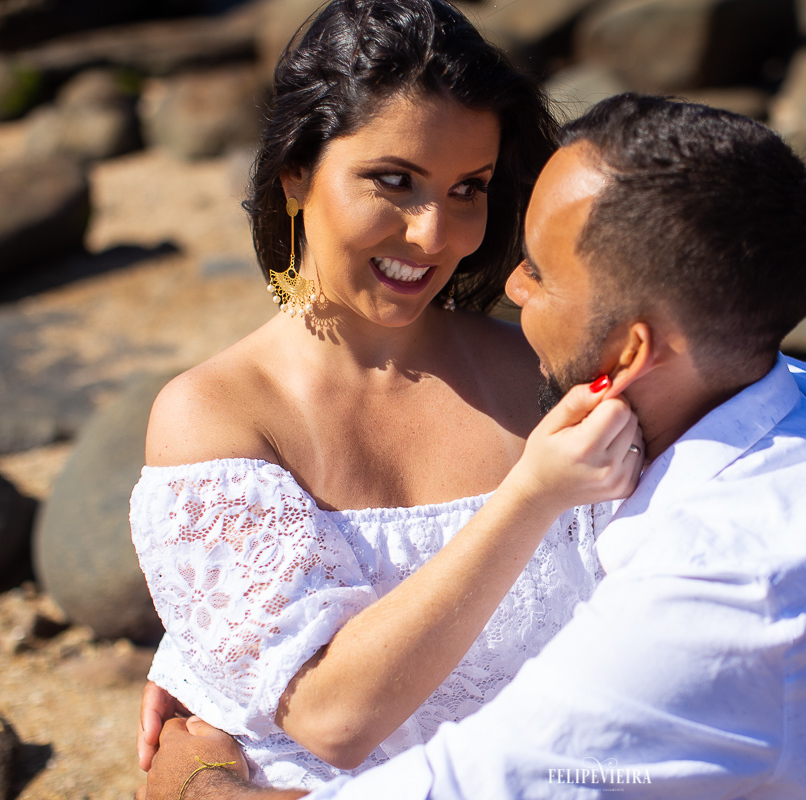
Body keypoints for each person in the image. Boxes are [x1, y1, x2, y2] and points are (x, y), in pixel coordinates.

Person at [139, 94, 806, 799]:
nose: (502, 281)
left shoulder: (723, 598)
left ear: (632, 352)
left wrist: (202, 784)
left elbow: (470, 784)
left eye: (539, 273)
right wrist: (225, 638)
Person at [130, 0, 644, 791]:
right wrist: (531, 495)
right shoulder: (219, 414)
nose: (435, 235)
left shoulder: (544, 372)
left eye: (468, 188)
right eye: (394, 181)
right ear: (295, 171)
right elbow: (333, 719)